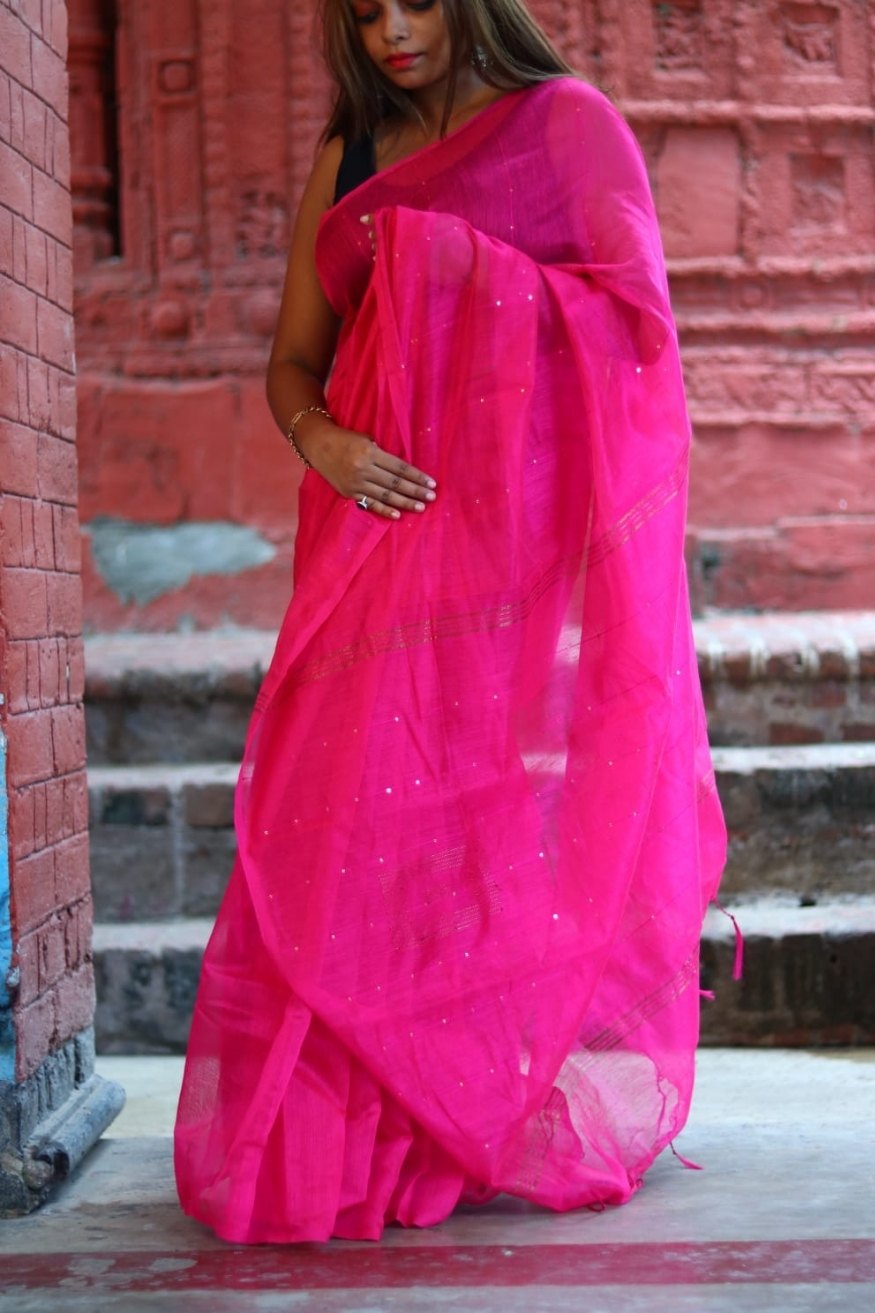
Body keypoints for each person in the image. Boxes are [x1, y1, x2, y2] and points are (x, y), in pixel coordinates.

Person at [174, 0, 727, 1245]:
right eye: (363, 13)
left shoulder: (565, 128)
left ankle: (449, 1116)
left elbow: (633, 332)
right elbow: (292, 364)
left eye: (412, 1)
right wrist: (327, 441)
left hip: (505, 556)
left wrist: (453, 276)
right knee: (336, 814)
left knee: (463, 824)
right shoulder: (352, 157)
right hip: (374, 538)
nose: (390, 32)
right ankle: (334, 1134)